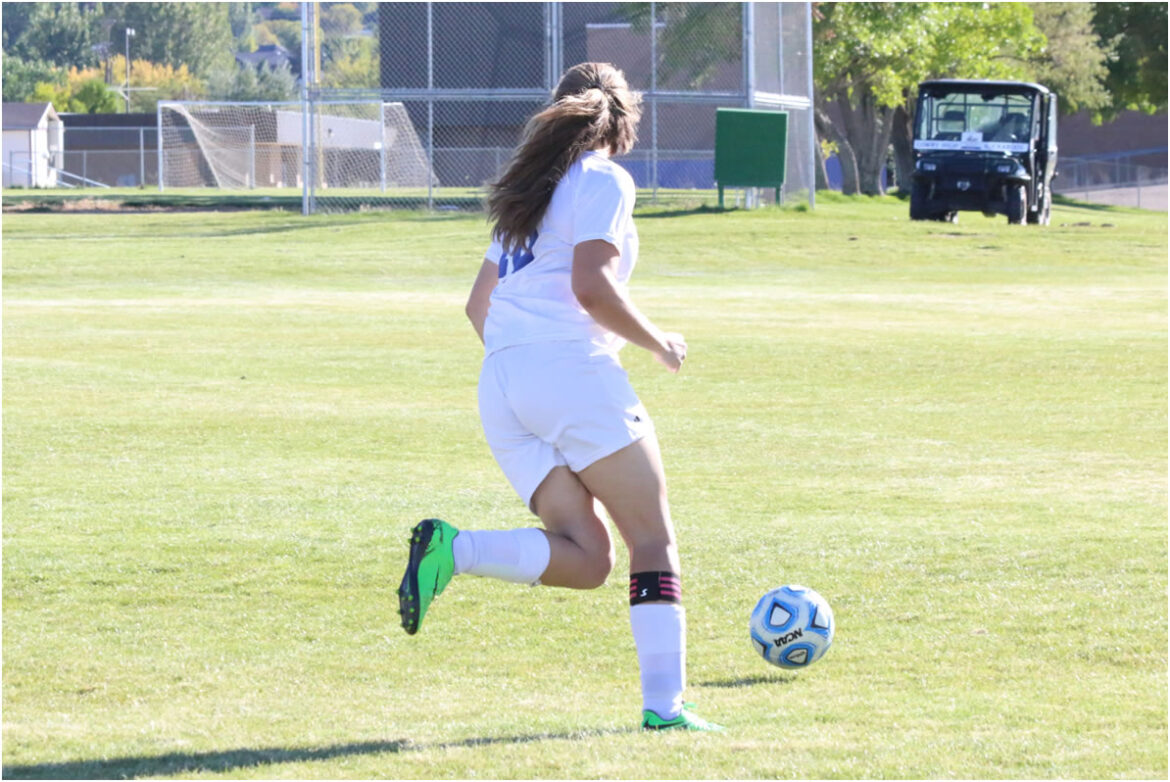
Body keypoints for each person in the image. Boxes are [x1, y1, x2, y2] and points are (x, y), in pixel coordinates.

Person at [396, 62, 721, 732]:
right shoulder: (602, 178)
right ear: (624, 121)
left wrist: (531, 374)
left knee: (589, 557)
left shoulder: (527, 196)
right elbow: (592, 286)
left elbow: (476, 306)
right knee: (652, 541)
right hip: (566, 375)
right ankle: (666, 708)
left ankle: (452, 552)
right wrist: (659, 343)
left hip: (502, 382)